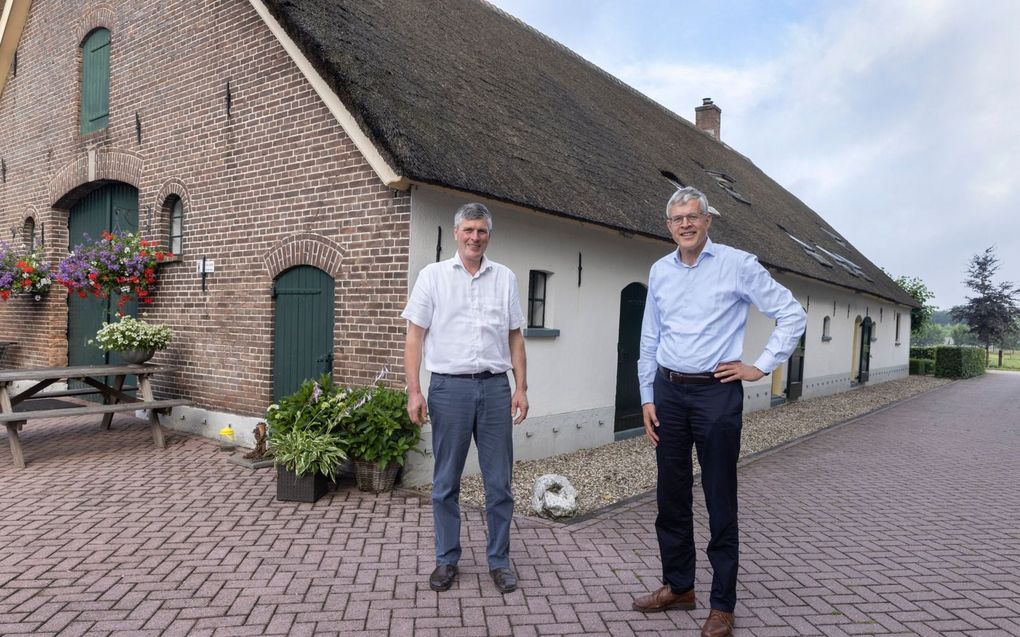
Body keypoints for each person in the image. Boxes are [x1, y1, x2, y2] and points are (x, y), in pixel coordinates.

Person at [632, 187, 807, 637]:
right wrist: (647, 396)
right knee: (670, 497)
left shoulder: (738, 264)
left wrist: (761, 366)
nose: (685, 224)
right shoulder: (660, 271)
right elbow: (649, 338)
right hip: (668, 392)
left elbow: (792, 314)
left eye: (693, 216)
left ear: (708, 220)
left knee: (719, 497)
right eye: (677, 219)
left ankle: (722, 605)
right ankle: (678, 586)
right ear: (668, 225)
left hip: (716, 394)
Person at [402, 202, 529, 595]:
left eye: (482, 231)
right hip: (448, 389)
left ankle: (499, 561)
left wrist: (521, 387)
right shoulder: (433, 276)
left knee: (499, 484)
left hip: (494, 389)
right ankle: (446, 559)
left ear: (489, 235)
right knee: (445, 482)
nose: (475, 237)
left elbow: (515, 337)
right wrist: (414, 390)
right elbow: (414, 336)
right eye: (469, 230)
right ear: (456, 232)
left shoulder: (505, 278)